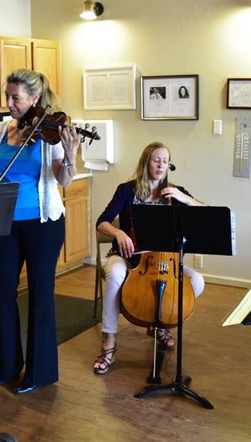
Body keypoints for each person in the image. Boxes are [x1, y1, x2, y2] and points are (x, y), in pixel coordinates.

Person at [0, 68, 80, 394]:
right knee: (1, 290)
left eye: (16, 97)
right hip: (4, 223)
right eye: (8, 96)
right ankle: (8, 365)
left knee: (40, 295)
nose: (10, 103)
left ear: (34, 99)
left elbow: (63, 179)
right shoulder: (0, 131)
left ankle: (38, 372)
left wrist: (70, 155)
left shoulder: (48, 132)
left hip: (44, 224)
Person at [93, 141, 206, 375]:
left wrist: (184, 199)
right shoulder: (127, 190)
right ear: (146, 162)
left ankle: (162, 326)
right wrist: (119, 232)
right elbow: (102, 221)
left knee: (197, 281)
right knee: (114, 274)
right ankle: (109, 342)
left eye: (165, 161)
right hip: (128, 255)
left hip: (166, 260)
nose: (161, 164)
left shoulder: (175, 192)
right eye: (157, 159)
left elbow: (206, 213)